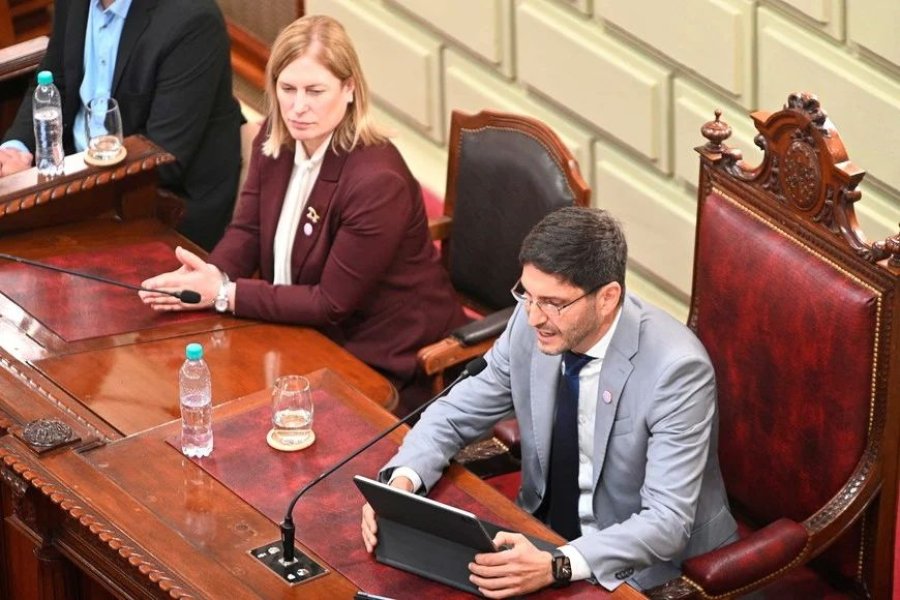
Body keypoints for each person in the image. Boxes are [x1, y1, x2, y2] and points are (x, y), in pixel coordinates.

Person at [361, 207, 737, 596]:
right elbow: (456, 412)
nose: (535, 316)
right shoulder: (530, 325)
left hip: (642, 568)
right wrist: (401, 485)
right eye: (526, 294)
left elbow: (665, 522)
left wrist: (557, 564)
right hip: (537, 536)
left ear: (607, 298)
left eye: (553, 302)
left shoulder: (676, 370)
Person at [139, 15, 466, 411]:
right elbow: (248, 229)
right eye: (287, 88)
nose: (298, 107)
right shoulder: (275, 140)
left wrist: (226, 294)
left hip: (376, 358)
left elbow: (330, 304)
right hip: (291, 332)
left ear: (349, 89)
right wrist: (212, 275)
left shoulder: (377, 180)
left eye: (315, 91)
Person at [0, 0, 242, 251]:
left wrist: (63, 181)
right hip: (74, 177)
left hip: (158, 203)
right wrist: (14, 150)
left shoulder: (193, 20)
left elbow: (166, 157)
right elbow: (55, 82)